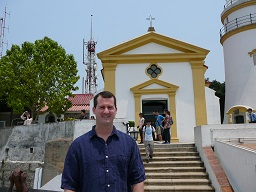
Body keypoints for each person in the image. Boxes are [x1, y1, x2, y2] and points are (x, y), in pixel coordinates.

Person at [61, 91, 146, 192]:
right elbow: (70, 185)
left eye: (110, 107)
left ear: (116, 110)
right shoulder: (78, 146)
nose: (106, 111)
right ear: (94, 110)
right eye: (102, 107)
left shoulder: (129, 144)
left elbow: (137, 180)